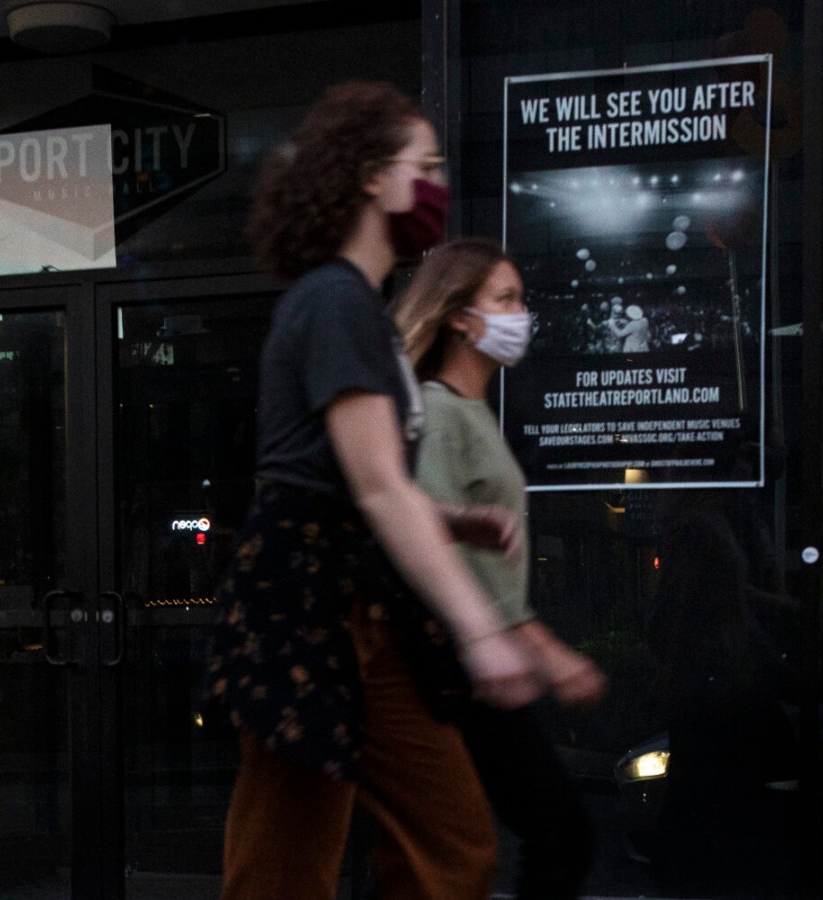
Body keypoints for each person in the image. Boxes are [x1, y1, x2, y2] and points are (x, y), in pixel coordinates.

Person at [202, 83, 542, 900]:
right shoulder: (335, 302)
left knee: (451, 840)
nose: (438, 187)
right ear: (369, 177)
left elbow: (359, 483)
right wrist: (482, 631)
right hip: (303, 609)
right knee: (288, 863)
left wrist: (448, 518)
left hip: (360, 604)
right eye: (426, 167)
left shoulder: (361, 311)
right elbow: (379, 487)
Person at [393, 237, 608, 900]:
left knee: (473, 851)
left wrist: (539, 649)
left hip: (483, 667)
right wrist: (536, 649)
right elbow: (436, 547)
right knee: (551, 838)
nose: (523, 316)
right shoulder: (440, 413)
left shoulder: (473, 411)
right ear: (460, 317)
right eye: (507, 300)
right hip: (461, 670)